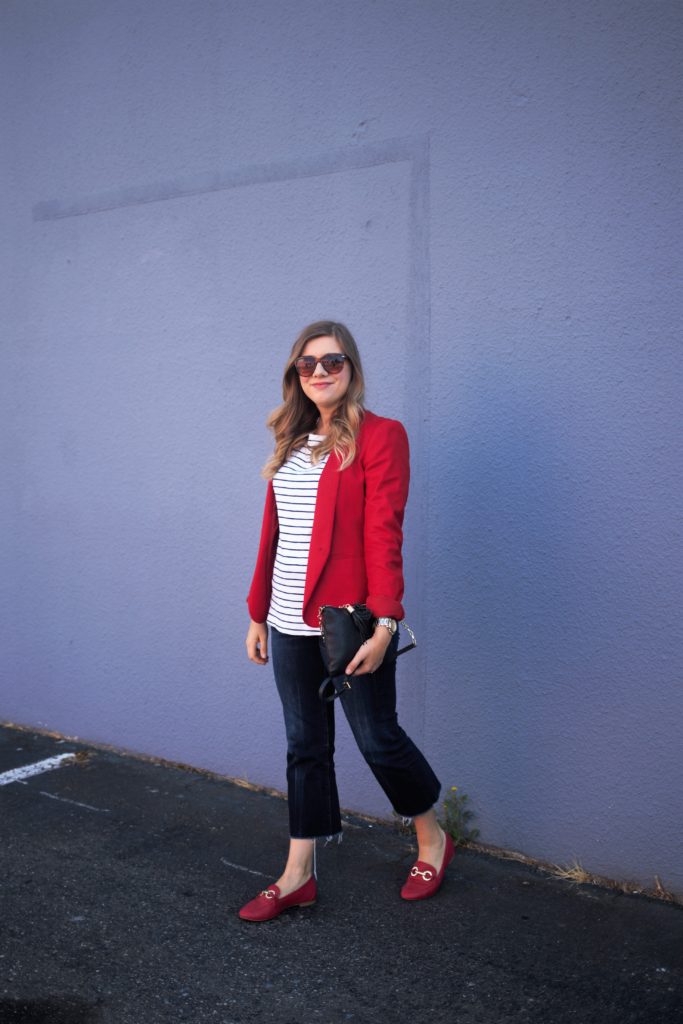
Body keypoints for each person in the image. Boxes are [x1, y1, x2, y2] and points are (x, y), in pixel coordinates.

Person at [240, 321, 453, 922]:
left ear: (351, 368)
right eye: (306, 365)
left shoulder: (381, 437)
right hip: (286, 621)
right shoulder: (292, 439)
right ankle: (298, 873)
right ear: (296, 377)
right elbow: (273, 536)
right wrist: (258, 613)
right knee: (305, 746)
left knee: (378, 739)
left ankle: (433, 837)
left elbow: (385, 535)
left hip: (349, 623)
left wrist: (386, 625)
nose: (319, 373)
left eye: (331, 361)